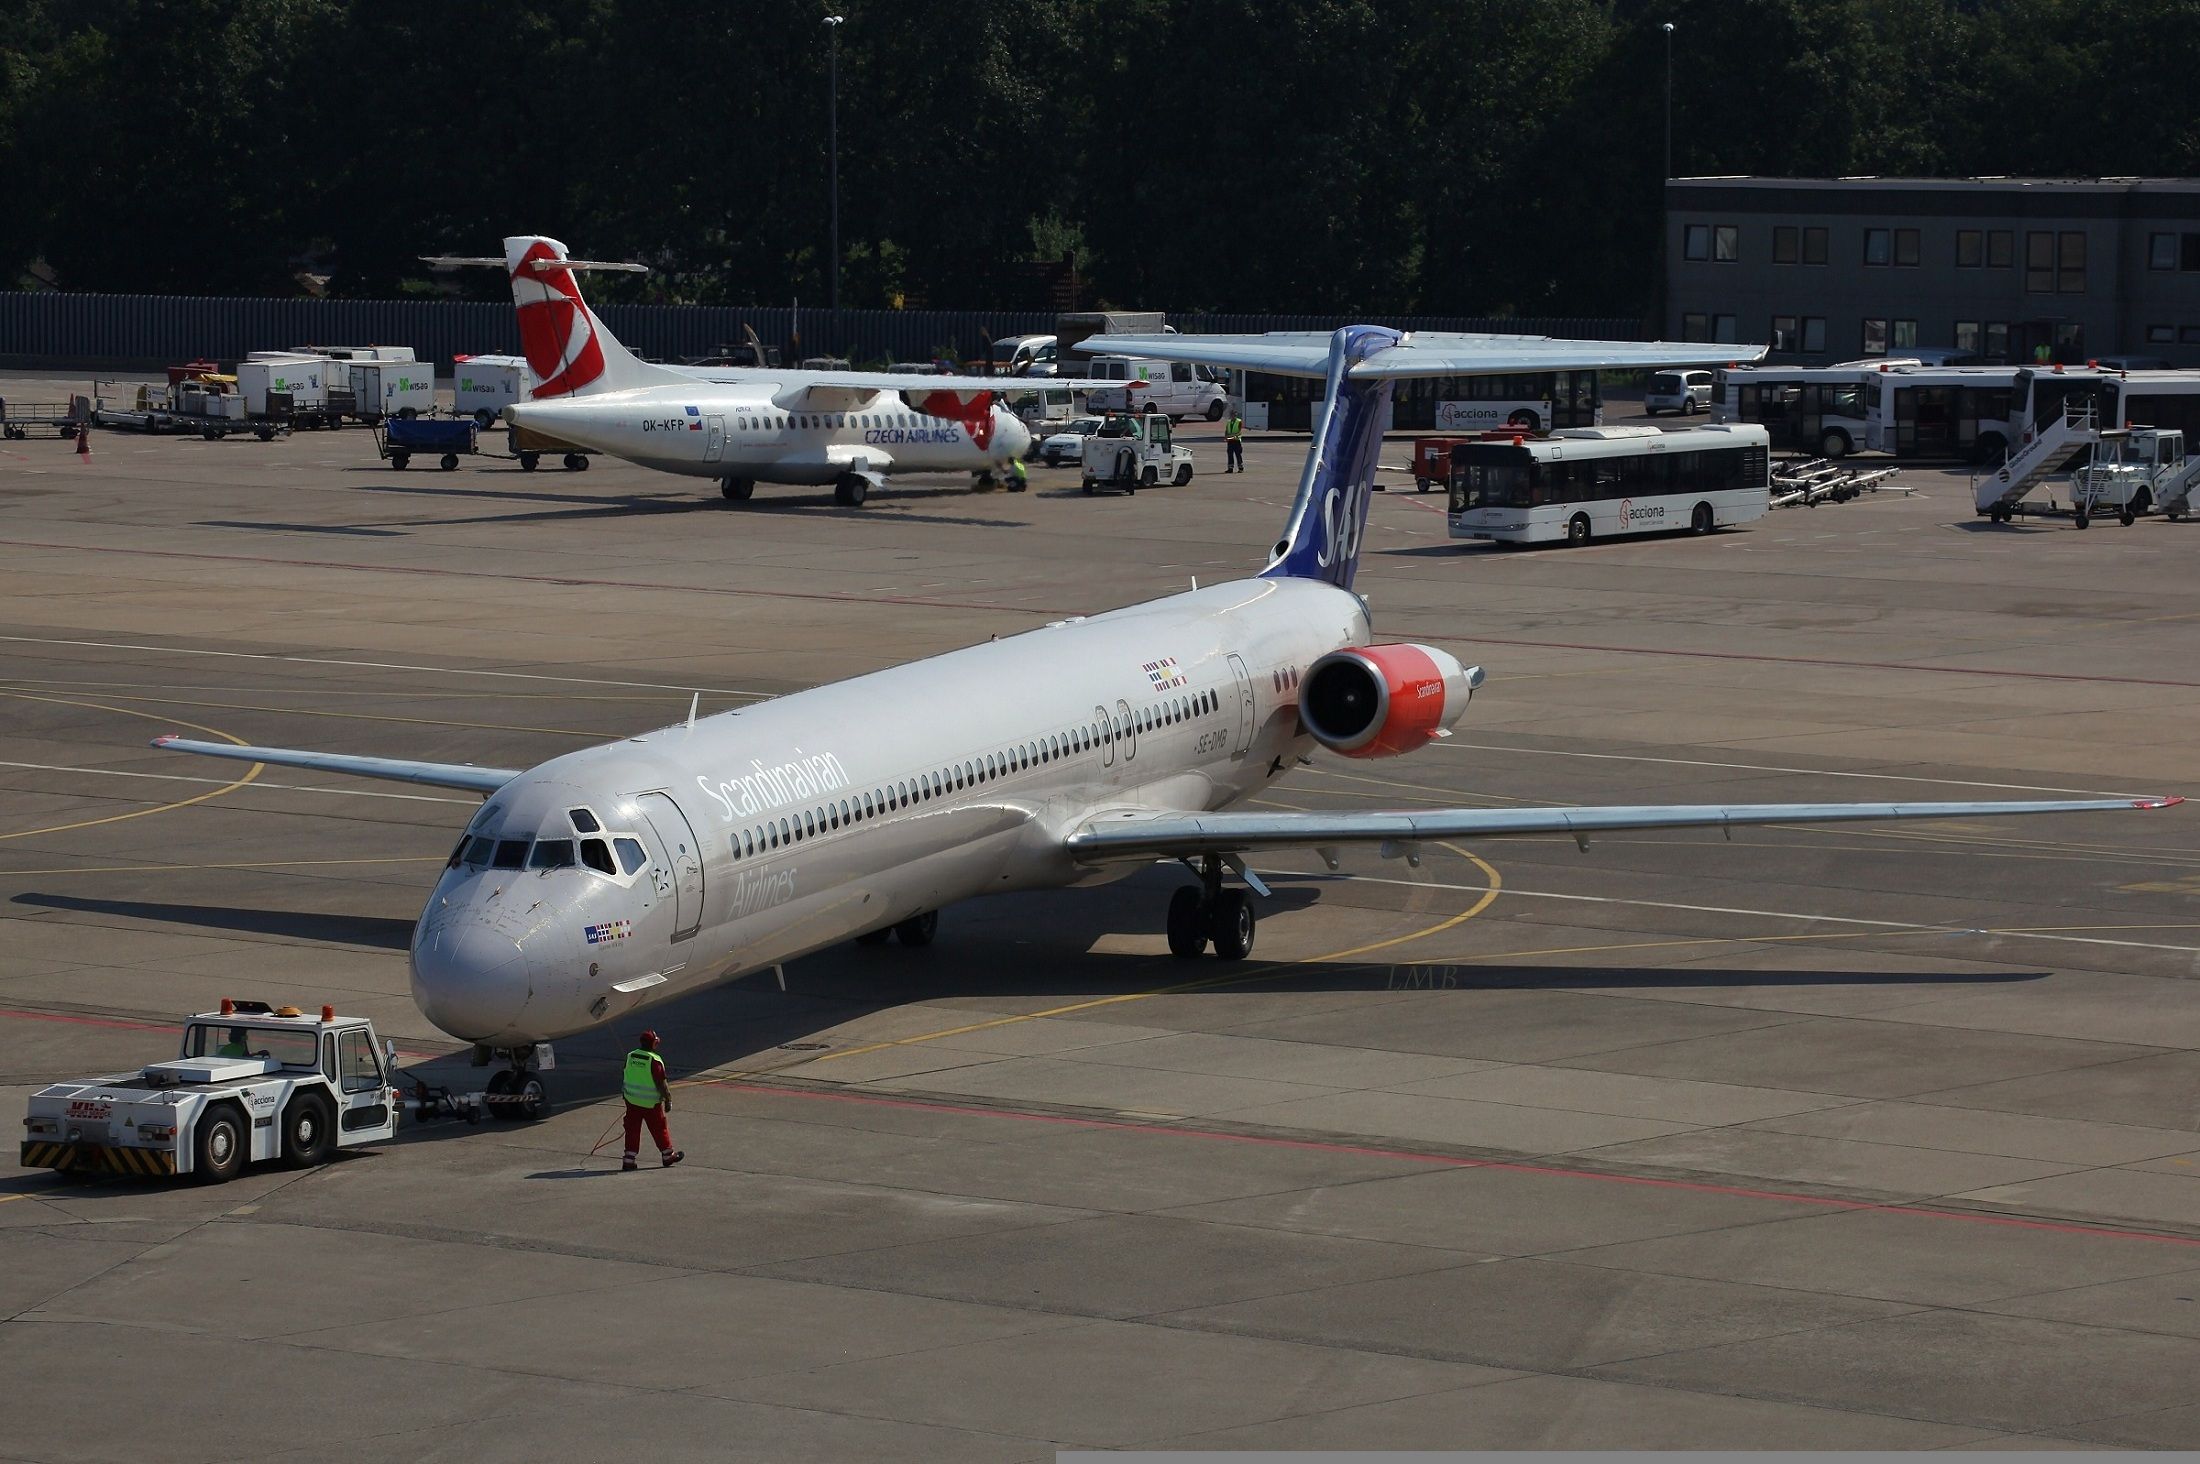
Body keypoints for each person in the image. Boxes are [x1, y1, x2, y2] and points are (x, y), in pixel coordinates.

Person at [620, 1029, 683, 1172]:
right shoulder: (654, 1060)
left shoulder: (631, 1056)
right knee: (659, 1128)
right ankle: (667, 1155)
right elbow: (661, 1083)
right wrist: (668, 1100)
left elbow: (625, 1073)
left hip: (632, 1100)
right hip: (650, 1104)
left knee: (632, 1129)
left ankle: (629, 1160)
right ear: (653, 1044)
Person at [1223, 406, 1245, 473]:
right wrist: (1226, 437)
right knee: (1230, 454)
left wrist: (1230, 436)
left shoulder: (1239, 421)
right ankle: (1230, 468)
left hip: (1236, 441)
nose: (1233, 416)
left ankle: (1240, 468)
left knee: (1238, 454)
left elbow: (1239, 432)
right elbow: (1226, 430)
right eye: (1232, 415)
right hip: (1230, 441)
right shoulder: (1229, 422)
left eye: (1234, 415)